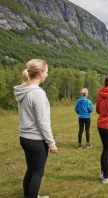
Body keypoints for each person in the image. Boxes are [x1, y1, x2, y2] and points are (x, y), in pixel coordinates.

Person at [14, 59, 57, 198]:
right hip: (36, 140)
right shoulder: (37, 93)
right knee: (37, 173)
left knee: (31, 170)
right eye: (46, 72)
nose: (47, 75)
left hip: (25, 138)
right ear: (39, 73)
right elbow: (43, 122)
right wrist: (51, 143)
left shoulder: (24, 90)